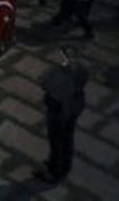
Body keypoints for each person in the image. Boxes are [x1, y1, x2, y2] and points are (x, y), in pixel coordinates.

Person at [36, 46, 87, 184]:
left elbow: (42, 81)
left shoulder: (60, 72)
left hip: (59, 110)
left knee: (56, 141)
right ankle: (65, 165)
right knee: (68, 138)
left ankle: (54, 171)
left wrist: (55, 70)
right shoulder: (82, 68)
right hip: (74, 107)